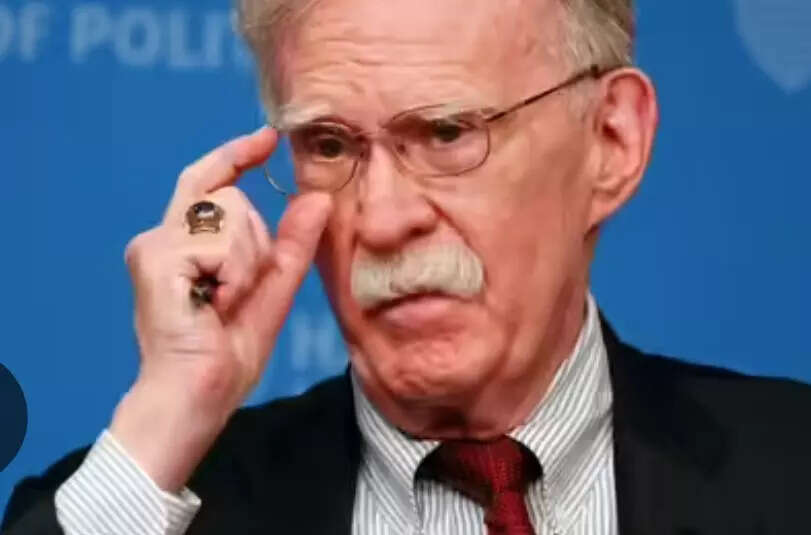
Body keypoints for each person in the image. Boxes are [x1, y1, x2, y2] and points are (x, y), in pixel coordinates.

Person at [4, 0, 811, 533]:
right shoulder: (169, 506)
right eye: (329, 145)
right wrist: (168, 414)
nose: (383, 219)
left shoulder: (789, 472)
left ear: (610, 142)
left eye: (449, 133)